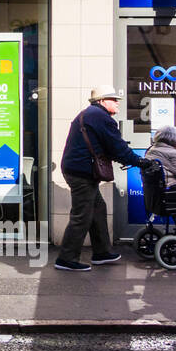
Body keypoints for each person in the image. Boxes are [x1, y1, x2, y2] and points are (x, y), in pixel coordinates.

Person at [56, 84, 148, 272]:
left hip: (78, 169)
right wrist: (140, 161)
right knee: (82, 215)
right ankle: (66, 258)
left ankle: (102, 252)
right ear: (102, 101)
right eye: (114, 100)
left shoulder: (89, 114)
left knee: (98, 208)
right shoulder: (100, 117)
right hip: (82, 172)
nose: (118, 103)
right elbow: (117, 147)